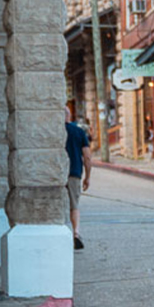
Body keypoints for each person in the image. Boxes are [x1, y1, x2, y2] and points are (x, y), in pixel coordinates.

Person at [65, 107, 92, 250]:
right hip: (73, 173)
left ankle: (58, 232)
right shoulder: (79, 132)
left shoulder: (54, 131)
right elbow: (87, 157)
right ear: (69, 116)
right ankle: (75, 233)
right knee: (74, 205)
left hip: (55, 174)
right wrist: (87, 177)